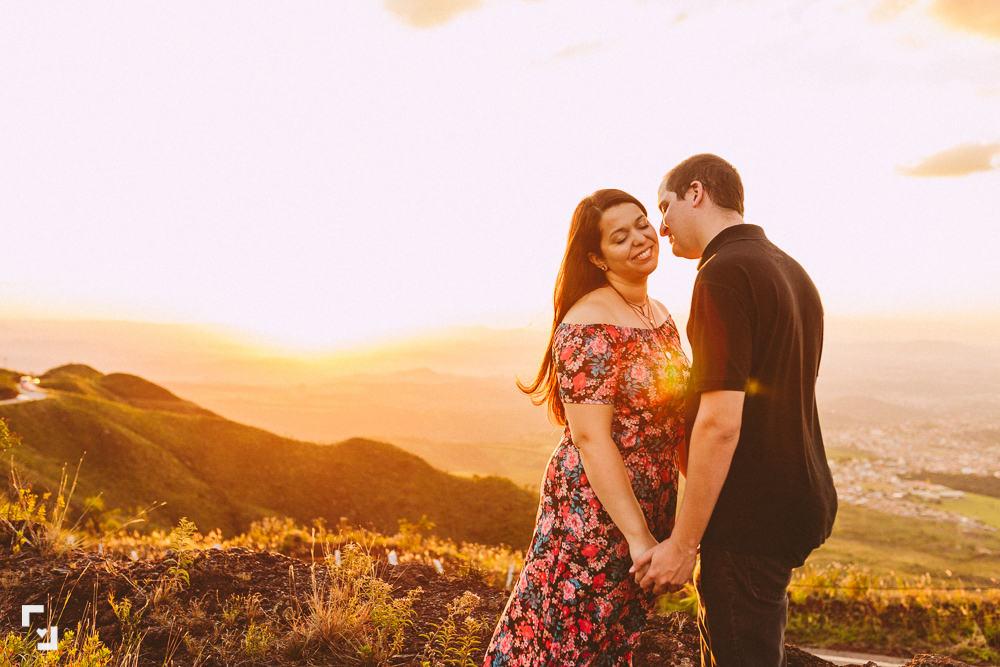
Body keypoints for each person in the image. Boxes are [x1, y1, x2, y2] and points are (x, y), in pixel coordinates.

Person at [632, 154, 838, 667]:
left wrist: (683, 543)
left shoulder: (722, 273)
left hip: (750, 516)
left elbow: (721, 423)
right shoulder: (790, 269)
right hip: (796, 499)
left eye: (665, 206)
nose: (661, 226)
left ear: (695, 193)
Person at [482, 189, 690, 666]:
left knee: (616, 636)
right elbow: (592, 438)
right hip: (595, 512)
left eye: (642, 224)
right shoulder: (588, 323)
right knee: (568, 633)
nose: (641, 239)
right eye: (621, 237)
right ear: (597, 257)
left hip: (649, 500)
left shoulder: (657, 313)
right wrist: (639, 537)